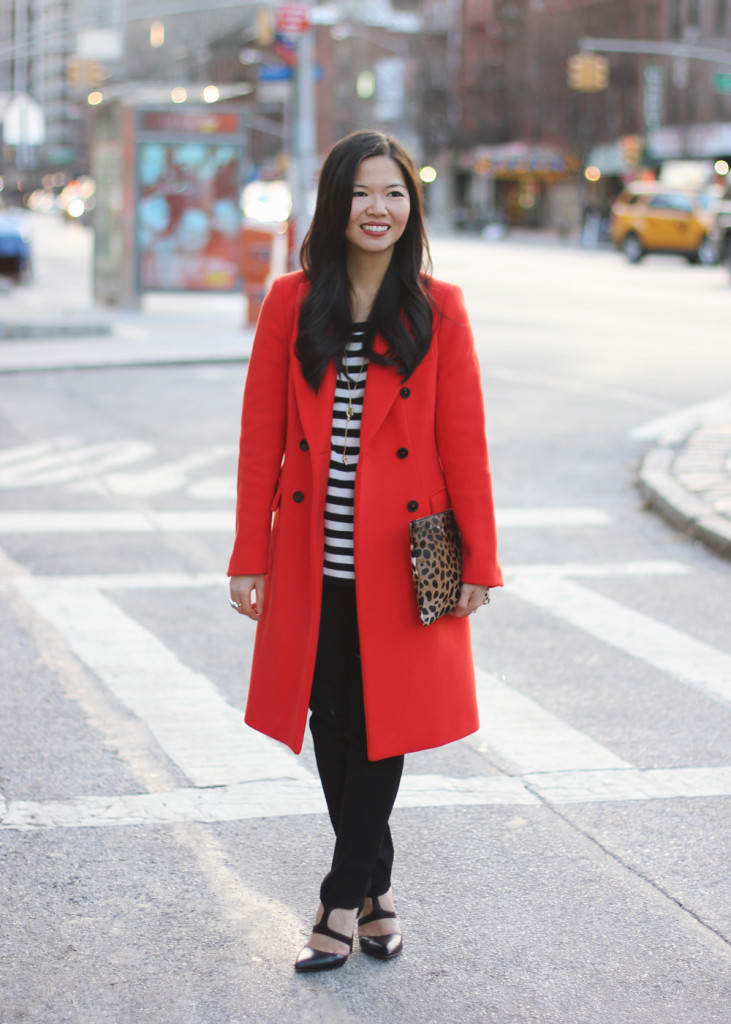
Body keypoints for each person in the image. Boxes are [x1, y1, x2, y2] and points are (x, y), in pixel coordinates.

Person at [228, 130, 502, 973]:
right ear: (333, 203)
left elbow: (464, 443)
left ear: (411, 206)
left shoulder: (438, 306)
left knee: (384, 727)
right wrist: (249, 554)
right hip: (314, 556)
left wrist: (479, 563)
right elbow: (259, 440)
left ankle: (340, 898)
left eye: (393, 194)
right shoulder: (291, 302)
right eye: (359, 194)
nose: (376, 210)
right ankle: (377, 891)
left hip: (405, 556)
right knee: (332, 719)